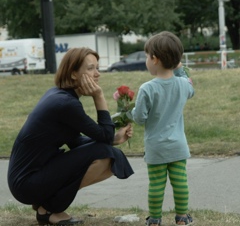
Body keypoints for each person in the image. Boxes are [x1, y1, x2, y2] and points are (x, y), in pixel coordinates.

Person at [7, 47, 134, 225]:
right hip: (27, 183)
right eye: (90, 68)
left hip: (29, 178)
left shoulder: (59, 96)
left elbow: (77, 142)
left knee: (107, 151)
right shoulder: (66, 104)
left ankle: (47, 206)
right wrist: (99, 96)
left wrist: (115, 139)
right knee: (107, 154)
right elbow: (103, 137)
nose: (97, 74)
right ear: (74, 73)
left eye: (97, 68)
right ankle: (50, 208)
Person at [127, 31, 194, 226]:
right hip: (178, 146)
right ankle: (182, 218)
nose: (146, 60)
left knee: (156, 184)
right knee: (180, 182)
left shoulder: (147, 88)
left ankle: (155, 220)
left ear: (154, 59)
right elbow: (191, 87)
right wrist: (180, 68)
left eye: (147, 56)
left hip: (156, 146)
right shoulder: (182, 84)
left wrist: (128, 113)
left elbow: (140, 118)